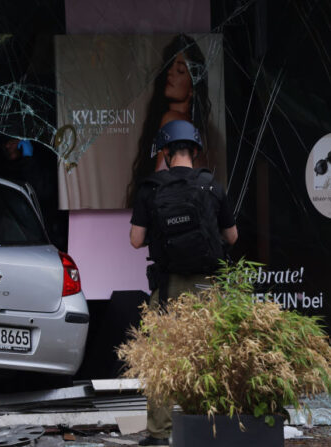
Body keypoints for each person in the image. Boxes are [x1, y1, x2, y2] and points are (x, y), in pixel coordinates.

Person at [129, 120, 237, 446]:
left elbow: (136, 241)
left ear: (164, 152)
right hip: (207, 287)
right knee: (207, 357)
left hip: (168, 288)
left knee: (161, 358)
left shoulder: (150, 188)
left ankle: (160, 434)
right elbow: (232, 236)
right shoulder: (210, 185)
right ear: (194, 150)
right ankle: (210, 430)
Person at [126, 33, 211, 207]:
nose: (170, 72)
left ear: (193, 88)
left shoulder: (172, 119)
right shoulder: (193, 131)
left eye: (180, 70)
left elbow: (160, 185)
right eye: (170, 66)